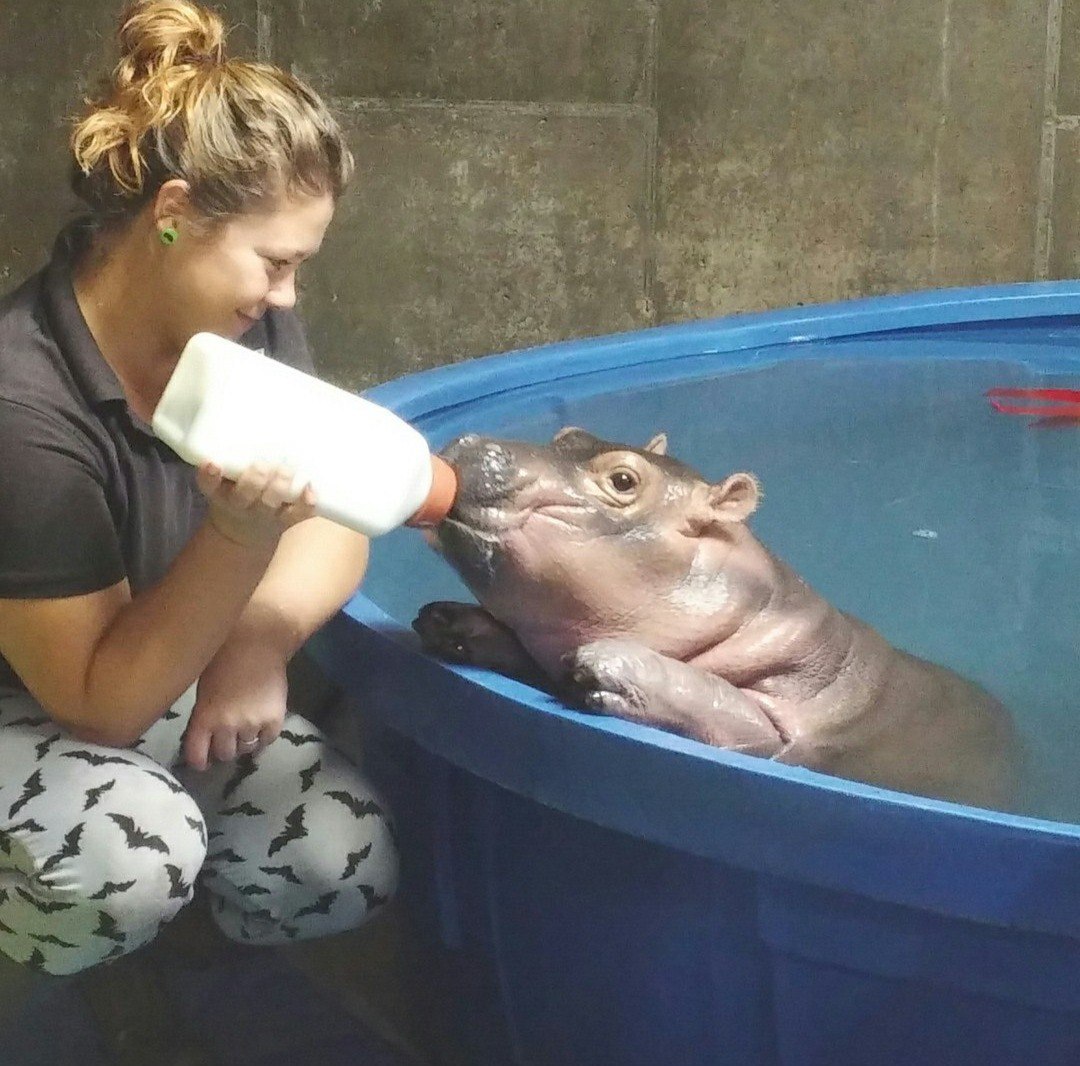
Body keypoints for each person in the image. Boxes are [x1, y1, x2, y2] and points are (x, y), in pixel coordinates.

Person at [0, 0, 398, 976]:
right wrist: (234, 535)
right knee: (125, 861)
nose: (287, 296)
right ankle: (34, 971)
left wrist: (259, 640)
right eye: (275, 262)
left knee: (337, 858)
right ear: (174, 216)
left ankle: (178, 981)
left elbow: (336, 514)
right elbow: (98, 706)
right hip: (40, 701)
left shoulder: (237, 327)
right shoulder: (23, 404)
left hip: (162, 677)